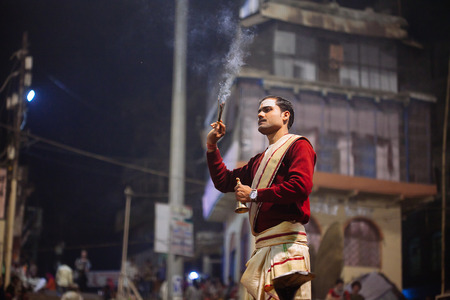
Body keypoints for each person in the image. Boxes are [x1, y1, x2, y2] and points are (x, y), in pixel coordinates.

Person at [206, 95, 316, 299]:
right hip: (263, 248)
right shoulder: (258, 161)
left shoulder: (299, 145)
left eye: (267, 110)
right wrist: (212, 146)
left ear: (285, 115)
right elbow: (224, 182)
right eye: (259, 110)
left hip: (286, 247)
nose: (260, 114)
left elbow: (300, 187)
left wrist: (254, 194)